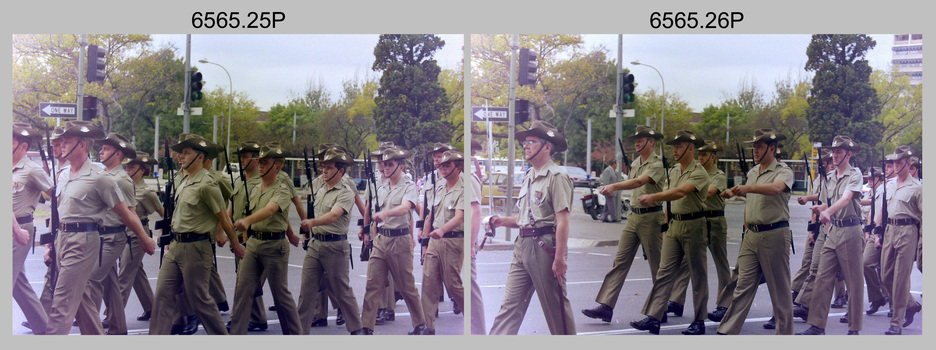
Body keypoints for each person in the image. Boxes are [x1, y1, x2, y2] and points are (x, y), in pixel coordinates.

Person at [46, 121, 156, 335]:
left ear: (81, 145)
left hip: (84, 241)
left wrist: (145, 239)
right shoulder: (63, 175)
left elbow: (127, 213)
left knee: (62, 302)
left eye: (66, 142)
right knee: (84, 302)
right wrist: (50, 245)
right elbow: (58, 213)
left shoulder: (100, 178)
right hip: (63, 239)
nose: (61, 147)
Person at [149, 133, 245, 335]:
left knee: (199, 299)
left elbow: (224, 218)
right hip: (176, 246)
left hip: (197, 248)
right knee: (162, 296)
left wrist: (235, 244)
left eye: (186, 153)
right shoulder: (184, 181)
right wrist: (168, 244)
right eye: (180, 153)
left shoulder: (207, 184)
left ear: (200, 157)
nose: (180, 157)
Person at [488, 121, 575, 335]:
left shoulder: (556, 177)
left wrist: (560, 258)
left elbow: (562, 220)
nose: (525, 146)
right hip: (522, 246)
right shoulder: (529, 176)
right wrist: (501, 221)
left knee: (555, 308)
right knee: (509, 306)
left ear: (547, 147)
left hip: (544, 247)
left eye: (531, 141)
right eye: (525, 142)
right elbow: (525, 217)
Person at [582, 125, 665, 324]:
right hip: (634, 216)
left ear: (651, 142)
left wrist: (613, 186)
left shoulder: (658, 163)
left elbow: (639, 182)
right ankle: (606, 306)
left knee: (657, 266)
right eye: (635, 139)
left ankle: (658, 310)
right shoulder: (636, 162)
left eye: (641, 139)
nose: (636, 142)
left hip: (651, 217)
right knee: (620, 262)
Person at [716, 128, 795, 335]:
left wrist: (748, 188)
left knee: (779, 291)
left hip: (774, 233)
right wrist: (734, 192)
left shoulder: (783, 171)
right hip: (752, 235)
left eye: (759, 147)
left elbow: (776, 188)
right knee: (742, 286)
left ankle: (784, 335)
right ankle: (726, 332)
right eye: (754, 147)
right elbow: (750, 203)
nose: (755, 151)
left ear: (771, 148)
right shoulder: (753, 172)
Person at [630, 130, 710, 335]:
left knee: (698, 274)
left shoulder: (699, 172)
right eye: (674, 146)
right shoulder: (673, 170)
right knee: (664, 273)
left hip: (694, 226)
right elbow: (670, 201)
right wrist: (665, 228)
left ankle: (699, 321)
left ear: (691, 149)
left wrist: (654, 196)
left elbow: (681, 192)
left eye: (679, 146)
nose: (674, 150)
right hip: (674, 225)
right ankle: (654, 317)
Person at [228, 143, 303, 334]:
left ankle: (295, 335)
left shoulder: (282, 189)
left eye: (265, 162)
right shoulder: (255, 190)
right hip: (253, 244)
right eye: (259, 162)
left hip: (274, 246)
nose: (260, 166)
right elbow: (257, 214)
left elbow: (271, 210)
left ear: (276, 167)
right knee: (243, 290)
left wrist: (247, 221)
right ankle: (236, 333)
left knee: (281, 296)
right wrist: (245, 239)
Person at [796, 135, 865, 335]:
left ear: (848, 154)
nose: (834, 155)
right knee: (822, 277)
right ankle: (817, 325)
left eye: (839, 152)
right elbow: (831, 201)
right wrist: (822, 207)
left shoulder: (855, 174)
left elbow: (846, 198)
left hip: (850, 231)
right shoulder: (830, 177)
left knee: (853, 282)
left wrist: (828, 211)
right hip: (833, 231)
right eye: (833, 152)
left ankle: (854, 328)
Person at [359, 146, 428, 335]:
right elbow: (372, 212)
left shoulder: (409, 186)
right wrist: (370, 235)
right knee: (373, 283)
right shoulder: (381, 188)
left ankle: (420, 324)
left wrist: (386, 214)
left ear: (401, 166)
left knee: (406, 285)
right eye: (384, 164)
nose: (386, 168)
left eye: (390, 164)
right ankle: (366, 326)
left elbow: (406, 208)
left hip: (400, 240)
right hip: (381, 240)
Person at [298, 148, 365, 334]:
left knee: (341, 290)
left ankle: (357, 329)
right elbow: (314, 213)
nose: (324, 171)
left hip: (335, 247)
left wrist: (312, 222)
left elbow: (334, 215)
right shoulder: (321, 190)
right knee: (307, 291)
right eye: (323, 167)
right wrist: (307, 233)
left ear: (340, 171)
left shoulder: (345, 192)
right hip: (315, 245)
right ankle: (299, 332)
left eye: (328, 167)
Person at [666, 140, 730, 322]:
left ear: (713, 157)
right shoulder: (691, 172)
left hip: (715, 220)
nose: (701, 158)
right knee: (686, 263)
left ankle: (724, 304)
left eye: (705, 155)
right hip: (696, 221)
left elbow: (709, 192)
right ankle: (676, 301)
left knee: (720, 262)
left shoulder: (718, 175)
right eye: (699, 154)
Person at [419, 149, 468, 335]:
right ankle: (428, 326)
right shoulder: (439, 187)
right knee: (429, 282)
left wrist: (442, 230)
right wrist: (425, 243)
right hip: (434, 242)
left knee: (453, 285)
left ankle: (472, 318)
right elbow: (429, 216)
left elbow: (460, 217)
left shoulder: (464, 189)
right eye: (441, 165)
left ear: (458, 167)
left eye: (447, 165)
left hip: (453, 241)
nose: (443, 168)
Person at [12, 123, 53, 335]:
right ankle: (43, 327)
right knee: (18, 282)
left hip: (20, 227)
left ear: (23, 145)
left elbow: (54, 196)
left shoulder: (32, 169)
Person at [878, 146, 923, 335]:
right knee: (885, 276)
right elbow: (884, 209)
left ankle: (896, 323)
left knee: (900, 279)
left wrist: (922, 241)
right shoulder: (890, 184)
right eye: (893, 163)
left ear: (908, 163)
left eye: (898, 162)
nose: (895, 166)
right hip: (890, 230)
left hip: (908, 231)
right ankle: (911, 305)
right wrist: (879, 231)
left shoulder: (917, 188)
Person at [113, 152, 162, 324]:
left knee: (124, 275)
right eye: (126, 166)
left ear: (142, 170)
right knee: (137, 274)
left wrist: (163, 233)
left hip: (137, 236)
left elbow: (164, 214)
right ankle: (151, 308)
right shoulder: (123, 186)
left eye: (132, 167)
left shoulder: (146, 192)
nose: (127, 170)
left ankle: (112, 315)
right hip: (124, 233)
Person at [600, 158, 623, 222]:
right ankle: (614, 218)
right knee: (611, 205)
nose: (617, 166)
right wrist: (607, 191)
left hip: (612, 191)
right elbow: (606, 182)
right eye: (616, 164)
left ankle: (604, 218)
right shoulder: (608, 170)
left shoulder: (612, 170)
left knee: (607, 205)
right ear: (613, 164)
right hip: (609, 191)